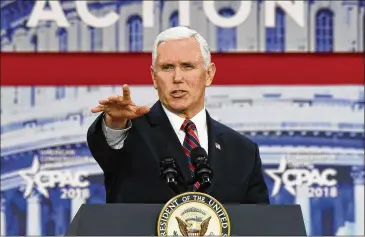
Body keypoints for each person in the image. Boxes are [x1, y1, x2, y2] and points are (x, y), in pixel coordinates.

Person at [87, 26, 270, 204]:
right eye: (167, 67)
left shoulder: (243, 151)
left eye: (187, 66)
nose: (177, 78)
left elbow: (259, 224)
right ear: (154, 77)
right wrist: (115, 122)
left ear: (209, 74)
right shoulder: (131, 135)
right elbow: (108, 146)